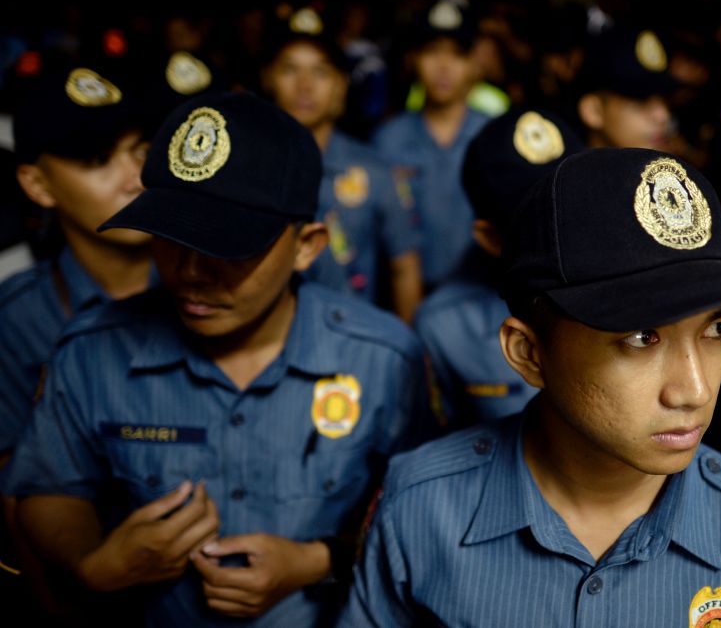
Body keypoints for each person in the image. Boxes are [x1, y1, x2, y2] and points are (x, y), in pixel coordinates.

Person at [338, 148, 721, 627]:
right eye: (641, 338)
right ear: (529, 353)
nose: (694, 391)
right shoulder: (419, 508)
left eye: (716, 330)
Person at [2, 92, 430, 626]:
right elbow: (48, 486)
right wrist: (93, 563)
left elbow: (423, 524)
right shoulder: (91, 352)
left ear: (308, 246)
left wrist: (316, 561)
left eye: (227, 247)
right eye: (170, 236)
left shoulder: (384, 361)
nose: (190, 272)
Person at [0, 62, 152, 458]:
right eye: (99, 161)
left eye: (142, 152)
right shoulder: (17, 322)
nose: (136, 178)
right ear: (37, 184)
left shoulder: (217, 284)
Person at [414, 108, 583, 428]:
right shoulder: (445, 327)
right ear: (489, 237)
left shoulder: (638, 279)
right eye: (541, 221)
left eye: (576, 200)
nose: (568, 224)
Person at [262, 9, 423, 321]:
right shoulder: (247, 165)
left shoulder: (374, 169)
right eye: (290, 70)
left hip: (353, 342)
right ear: (269, 78)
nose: (305, 85)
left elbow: (404, 265)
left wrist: (407, 355)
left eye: (320, 72)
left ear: (340, 84)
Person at [373, 0, 489, 291]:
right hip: (405, 293)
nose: (444, 66)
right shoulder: (388, 139)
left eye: (457, 54)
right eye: (432, 52)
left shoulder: (492, 136)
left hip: (480, 297)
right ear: (414, 59)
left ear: (474, 63)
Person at [576, 26, 677, 153]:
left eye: (664, 100)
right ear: (593, 110)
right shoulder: (558, 172)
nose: (663, 116)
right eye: (641, 101)